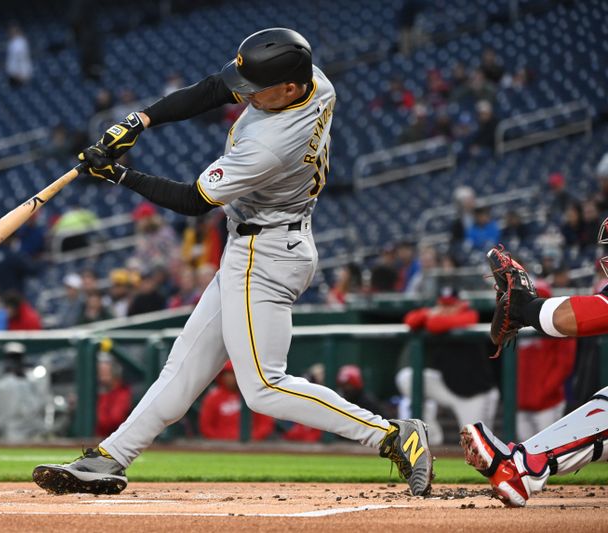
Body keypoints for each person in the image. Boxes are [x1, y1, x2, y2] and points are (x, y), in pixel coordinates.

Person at [34, 28, 433, 497]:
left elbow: (191, 201)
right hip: (272, 242)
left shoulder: (270, 144)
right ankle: (112, 457)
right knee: (182, 370)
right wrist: (141, 120)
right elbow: (213, 88)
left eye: (254, 90)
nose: (241, 95)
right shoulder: (314, 81)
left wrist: (119, 173)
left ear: (287, 88)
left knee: (264, 385)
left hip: (262, 254)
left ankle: (390, 434)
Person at [461, 236, 608, 507]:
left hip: (548, 398)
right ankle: (522, 463)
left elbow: (585, 316)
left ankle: (521, 468)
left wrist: (527, 309)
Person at [397, 287, 499, 445]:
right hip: (448, 385)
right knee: (407, 378)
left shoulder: (470, 315)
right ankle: (433, 438)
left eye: (451, 305)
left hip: (475, 395)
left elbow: (435, 324)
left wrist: (432, 317)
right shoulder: (436, 315)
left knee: (476, 446)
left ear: (461, 304)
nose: (446, 309)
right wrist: (428, 313)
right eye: (443, 305)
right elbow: (410, 320)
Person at [515, 281, 577, 441]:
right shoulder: (516, 325)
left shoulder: (560, 326)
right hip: (521, 404)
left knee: (549, 451)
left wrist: (543, 392)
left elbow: (564, 365)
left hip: (548, 403)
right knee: (523, 452)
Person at [199, 361, 275, 441]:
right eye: (227, 374)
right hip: (221, 446)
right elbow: (206, 427)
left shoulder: (254, 395)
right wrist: (221, 440)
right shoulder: (213, 397)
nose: (230, 378)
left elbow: (265, 424)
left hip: (251, 445)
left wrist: (252, 438)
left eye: (233, 374)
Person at [96, 353, 132, 437]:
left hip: (117, 438)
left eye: (106, 371)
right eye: (100, 371)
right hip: (96, 439)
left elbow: (114, 420)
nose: (102, 375)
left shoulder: (123, 392)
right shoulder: (95, 390)